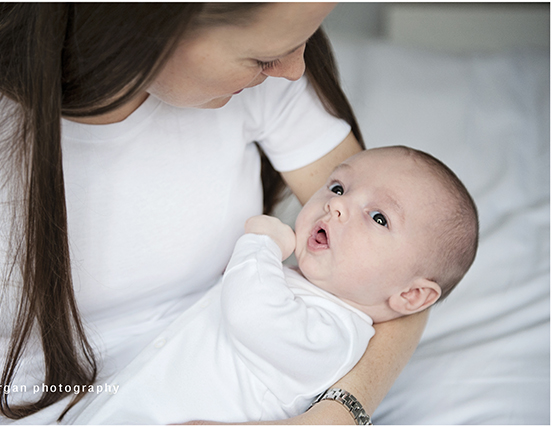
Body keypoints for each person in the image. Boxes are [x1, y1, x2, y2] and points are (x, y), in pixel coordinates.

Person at [0, 4, 428, 425]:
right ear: (144, 27)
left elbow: (403, 266)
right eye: (263, 57)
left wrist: (332, 417)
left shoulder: (272, 84)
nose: (295, 70)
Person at [61, 146, 478, 425]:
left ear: (411, 296)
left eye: (378, 217)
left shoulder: (335, 335)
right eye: (338, 186)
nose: (336, 203)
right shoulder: (294, 285)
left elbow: (251, 313)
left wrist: (260, 243)